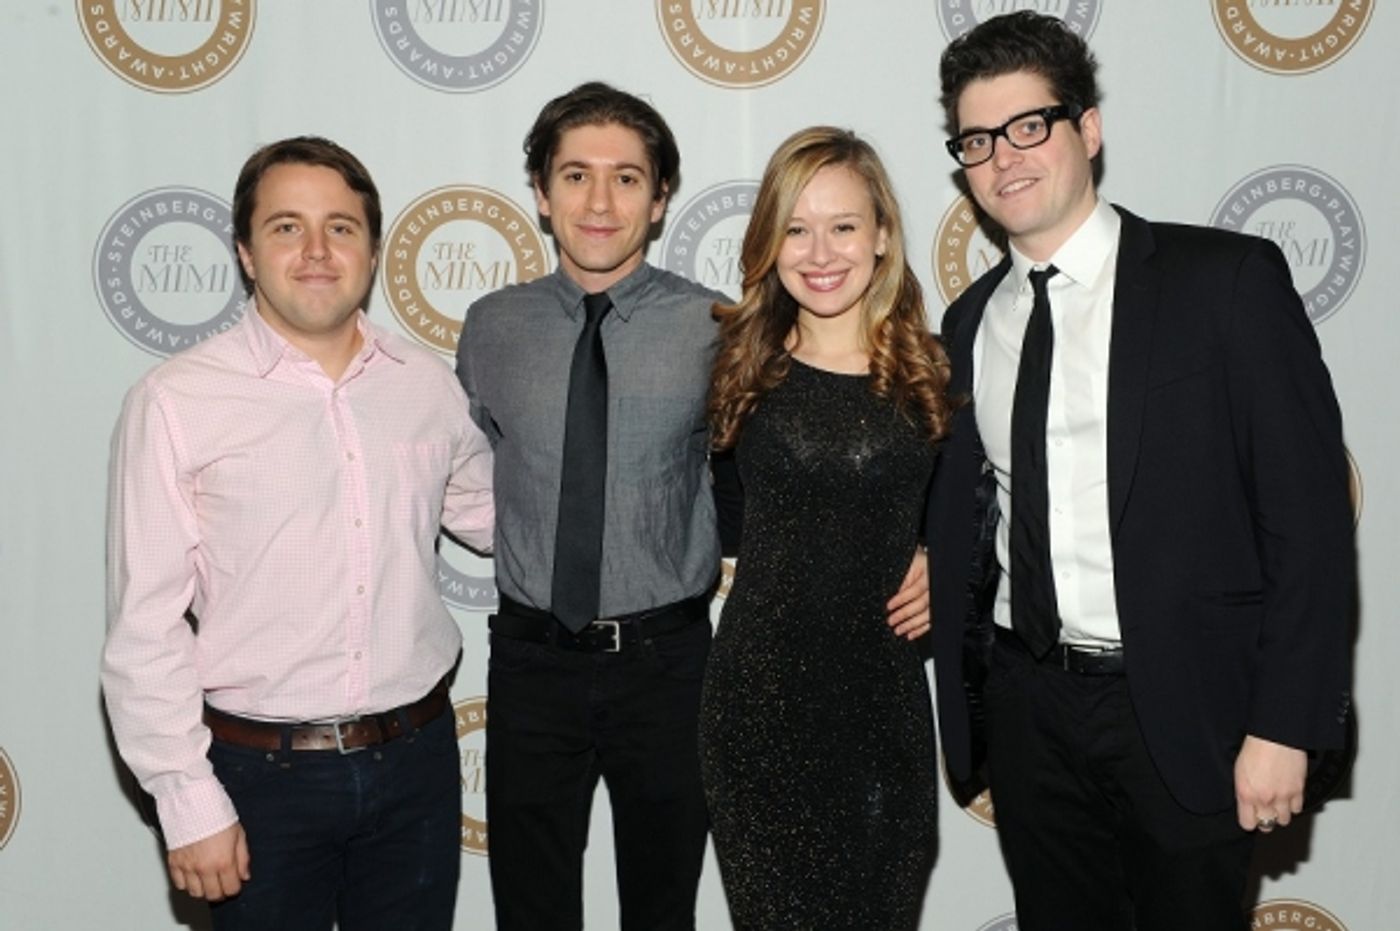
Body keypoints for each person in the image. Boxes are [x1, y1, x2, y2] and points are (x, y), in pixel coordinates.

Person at [455, 85, 932, 931]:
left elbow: (820, 467)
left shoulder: (719, 330)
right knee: (528, 911)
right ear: (539, 191)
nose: (600, 202)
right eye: (575, 175)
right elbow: (463, 469)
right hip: (530, 663)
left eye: (627, 178)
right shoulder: (490, 327)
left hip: (671, 666)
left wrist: (936, 548)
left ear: (661, 196)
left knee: (664, 909)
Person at [927, 13, 1355, 930]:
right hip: (1029, 709)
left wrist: (1285, 723)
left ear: (1088, 129)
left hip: (1186, 708)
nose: (1004, 156)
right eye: (977, 139)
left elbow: (1309, 523)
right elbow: (970, 514)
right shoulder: (967, 326)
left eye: (1029, 125)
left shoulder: (1224, 283)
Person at [102, 136, 495, 930]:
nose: (316, 250)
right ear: (246, 253)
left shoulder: (426, 386)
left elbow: (499, 521)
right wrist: (186, 798)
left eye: (341, 227)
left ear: (373, 248)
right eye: (286, 227)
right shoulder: (176, 401)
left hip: (416, 762)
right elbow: (145, 626)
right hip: (258, 778)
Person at [699, 126, 951, 931]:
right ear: (769, 243)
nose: (820, 251)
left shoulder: (936, 372)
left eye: (843, 225)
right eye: (795, 228)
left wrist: (951, 560)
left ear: (882, 236)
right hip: (757, 712)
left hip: (883, 714)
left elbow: (1003, 509)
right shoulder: (739, 363)